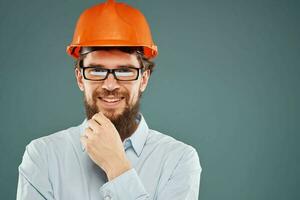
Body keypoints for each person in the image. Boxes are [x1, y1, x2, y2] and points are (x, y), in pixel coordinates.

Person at [16, 0, 201, 199]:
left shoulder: (179, 160)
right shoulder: (42, 156)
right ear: (80, 78)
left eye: (124, 71)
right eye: (96, 70)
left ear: (144, 79)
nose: (110, 85)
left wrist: (117, 166)